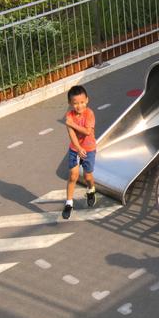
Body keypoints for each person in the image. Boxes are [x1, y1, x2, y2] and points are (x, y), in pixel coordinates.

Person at [60, 86, 100, 219]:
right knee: (73, 175)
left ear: (87, 100)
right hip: (75, 149)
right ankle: (69, 203)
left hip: (89, 149)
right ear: (70, 104)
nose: (79, 106)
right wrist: (78, 148)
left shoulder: (89, 114)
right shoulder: (69, 115)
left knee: (88, 176)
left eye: (82, 102)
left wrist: (72, 124)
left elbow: (87, 131)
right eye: (75, 103)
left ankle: (91, 190)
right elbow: (71, 134)